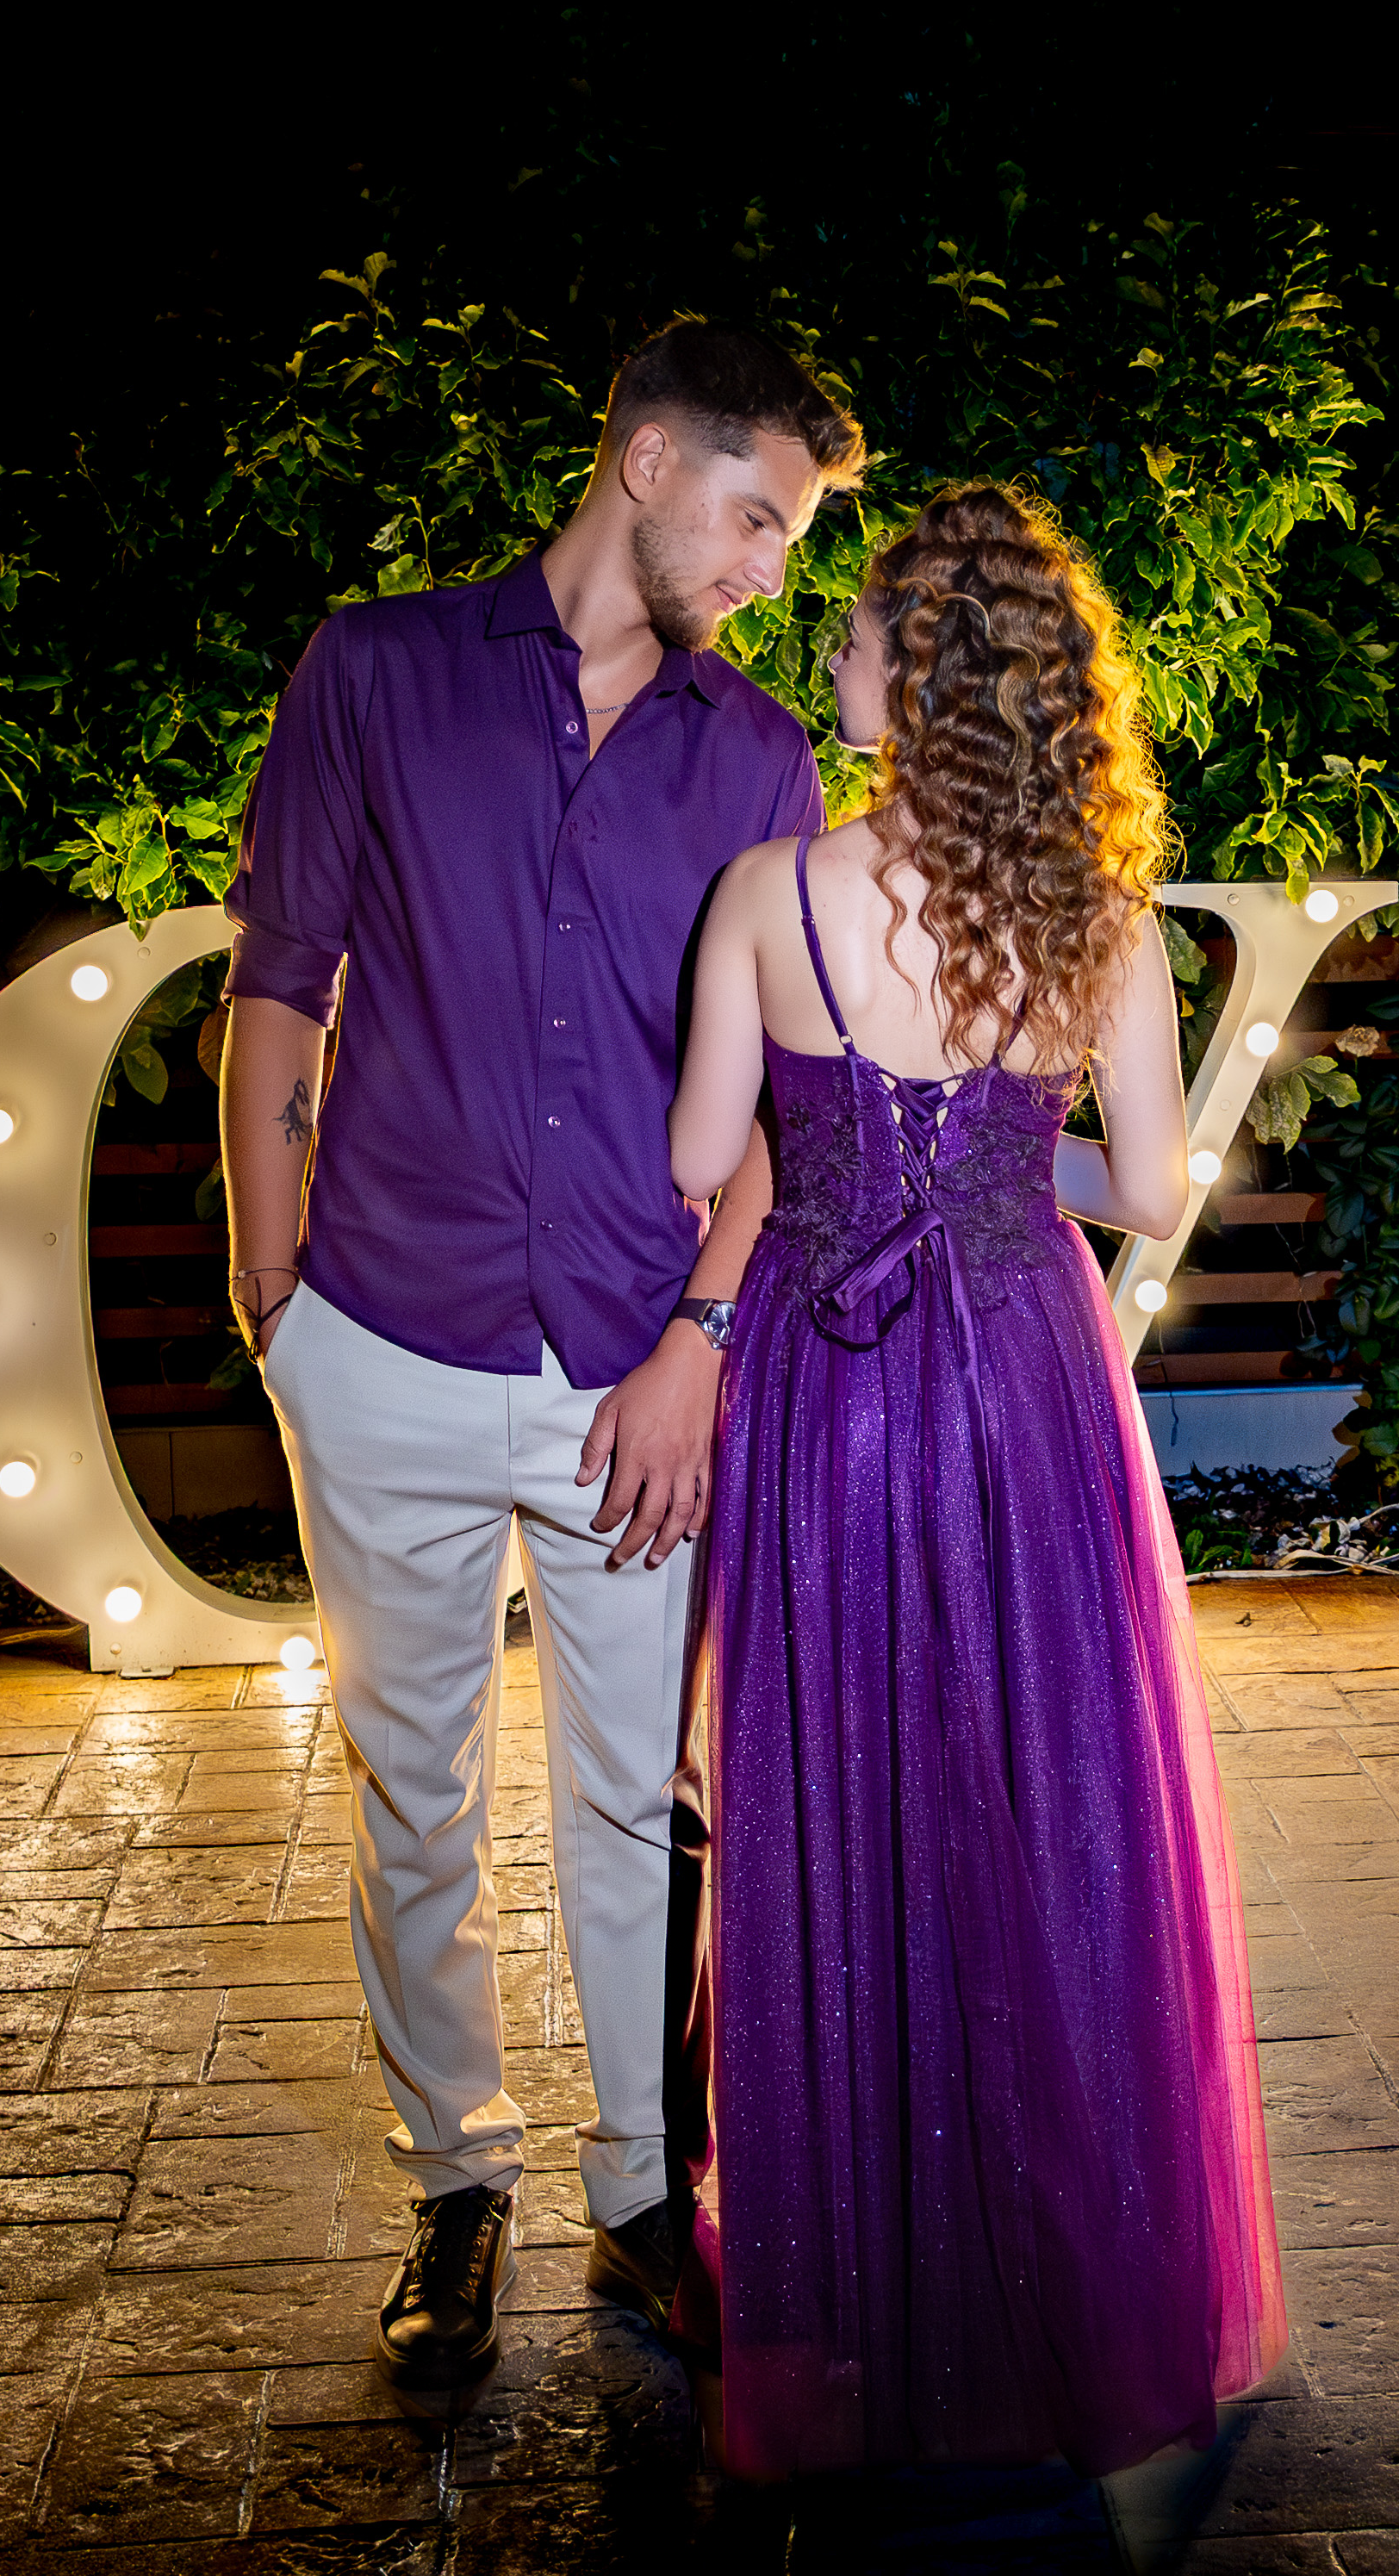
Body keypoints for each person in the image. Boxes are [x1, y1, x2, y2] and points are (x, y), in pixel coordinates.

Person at [216, 320, 864, 2409]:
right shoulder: (375, 670)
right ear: (648, 461)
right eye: (754, 514)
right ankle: (454, 2183)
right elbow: (281, 979)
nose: (767, 565)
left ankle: (643, 2192)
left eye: (791, 538)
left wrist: (698, 1339)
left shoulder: (758, 755)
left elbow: (782, 1098)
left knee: (636, 1797)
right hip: (380, 1328)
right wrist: (272, 1287)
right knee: (409, 1791)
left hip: (632, 1364)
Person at [668, 486, 1287, 2479]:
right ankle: (1071, 2291)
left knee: (839, 1793)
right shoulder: (1103, 921)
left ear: (916, 678)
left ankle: (861, 2301)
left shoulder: (766, 894)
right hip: (1025, 1370)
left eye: (856, 632)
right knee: (1049, 1798)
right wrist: (1007, 1167)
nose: (833, 653)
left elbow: (699, 1160)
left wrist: (840, 1150)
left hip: (827, 1376)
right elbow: (1153, 1190)